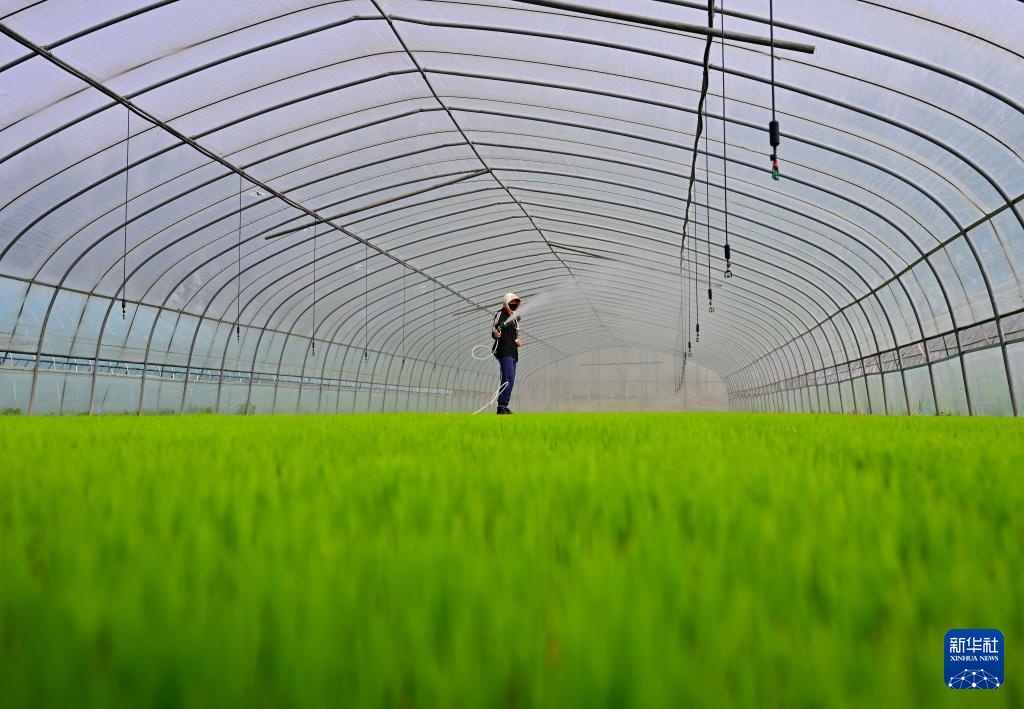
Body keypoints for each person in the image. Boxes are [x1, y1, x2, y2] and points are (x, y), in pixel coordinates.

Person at [491, 292, 522, 414]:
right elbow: (495, 330)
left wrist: (518, 341)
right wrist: (496, 334)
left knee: (511, 379)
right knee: (507, 378)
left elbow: (515, 335)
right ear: (506, 303)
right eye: (511, 303)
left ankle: (505, 405)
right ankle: (501, 406)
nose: (514, 305)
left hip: (513, 351)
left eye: (516, 303)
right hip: (503, 350)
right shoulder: (501, 314)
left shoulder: (514, 318)